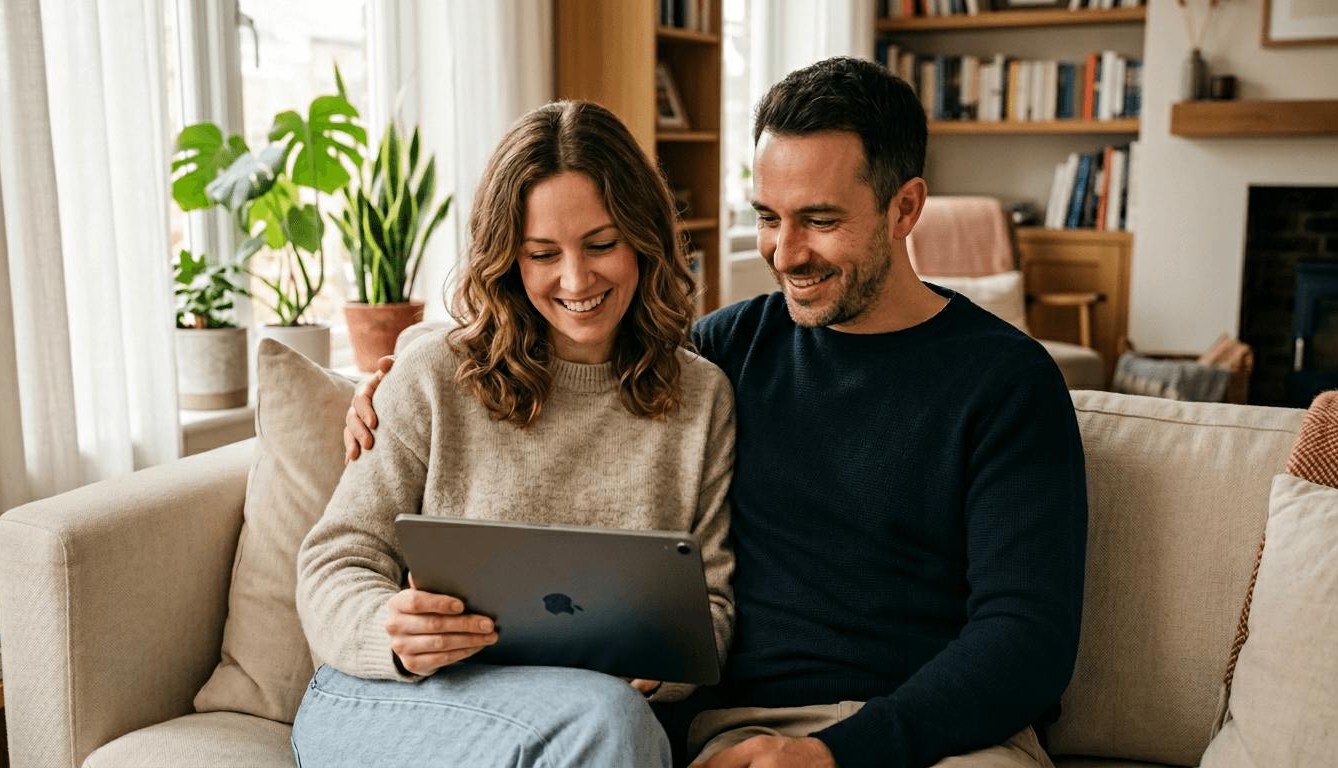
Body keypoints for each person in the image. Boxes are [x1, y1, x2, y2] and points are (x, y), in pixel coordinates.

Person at [348, 57, 1087, 768]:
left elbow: (1027, 641)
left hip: (943, 737)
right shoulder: (728, 351)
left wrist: (841, 753)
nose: (785, 252)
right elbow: (584, 347)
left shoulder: (1007, 382)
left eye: (819, 220)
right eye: (768, 217)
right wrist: (392, 371)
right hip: (749, 734)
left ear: (905, 208)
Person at [292, 100, 737, 768]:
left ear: (644, 238)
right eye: (542, 254)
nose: (576, 279)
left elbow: (713, 607)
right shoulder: (434, 374)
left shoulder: (701, 397)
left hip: (587, 714)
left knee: (615, 720)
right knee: (613, 726)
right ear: (509, 259)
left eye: (602, 243)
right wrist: (389, 629)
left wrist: (659, 667)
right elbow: (336, 558)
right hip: (394, 700)